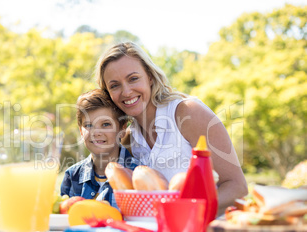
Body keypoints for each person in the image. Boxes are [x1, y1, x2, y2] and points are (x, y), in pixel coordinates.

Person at [95, 42, 248, 215]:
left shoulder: (188, 113)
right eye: (115, 85)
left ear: (150, 77)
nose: (126, 91)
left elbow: (237, 187)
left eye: (133, 79)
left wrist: (185, 214)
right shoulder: (129, 139)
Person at [60, 89, 141, 208]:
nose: (96, 132)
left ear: (122, 129)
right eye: (88, 125)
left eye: (106, 124)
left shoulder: (137, 175)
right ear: (81, 131)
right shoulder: (72, 176)